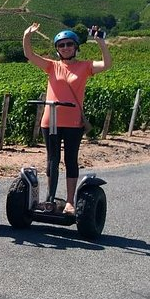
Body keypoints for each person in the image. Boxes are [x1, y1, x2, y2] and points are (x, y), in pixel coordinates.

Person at [23, 22, 112, 215]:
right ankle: (50, 199)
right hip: (51, 120)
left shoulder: (85, 66)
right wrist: (27, 35)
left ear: (76, 47)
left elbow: (106, 64)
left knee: (70, 159)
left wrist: (101, 42)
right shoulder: (52, 66)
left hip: (73, 121)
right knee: (52, 160)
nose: (65, 48)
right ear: (57, 49)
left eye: (69, 44)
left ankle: (70, 202)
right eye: (61, 45)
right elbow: (29, 55)